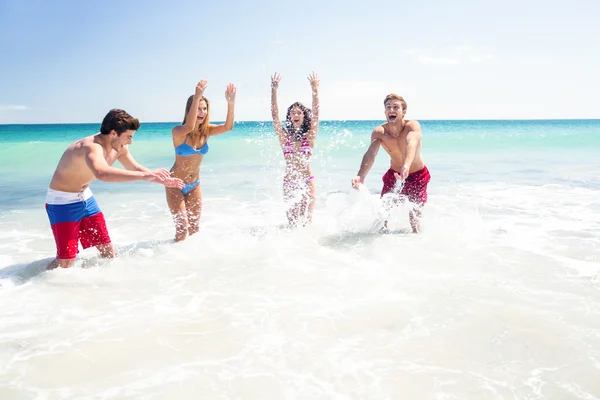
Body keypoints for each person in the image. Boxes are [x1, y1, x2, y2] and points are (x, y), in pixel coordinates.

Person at [45, 109, 185, 269]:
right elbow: (102, 173)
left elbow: (135, 167)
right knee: (65, 262)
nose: (130, 142)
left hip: (85, 198)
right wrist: (146, 177)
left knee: (108, 251)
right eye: (129, 137)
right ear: (113, 133)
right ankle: (36, 283)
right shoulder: (91, 147)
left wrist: (160, 179)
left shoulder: (119, 148)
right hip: (62, 201)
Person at [166, 80, 236, 242]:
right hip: (175, 184)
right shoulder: (178, 132)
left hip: (194, 184)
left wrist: (230, 104)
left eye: (204, 109)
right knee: (182, 229)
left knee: (195, 229)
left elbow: (228, 127)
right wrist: (197, 95)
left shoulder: (207, 131)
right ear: (190, 109)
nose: (202, 112)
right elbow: (189, 127)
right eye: (198, 107)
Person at [351, 94, 431, 233]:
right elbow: (371, 154)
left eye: (396, 107)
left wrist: (406, 165)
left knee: (415, 218)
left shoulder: (411, 126)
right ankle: (381, 244)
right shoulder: (380, 132)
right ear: (385, 112)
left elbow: (411, 143)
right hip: (394, 175)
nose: (391, 110)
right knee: (384, 212)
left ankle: (417, 243)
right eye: (388, 107)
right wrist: (361, 176)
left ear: (403, 111)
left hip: (417, 175)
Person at [270, 71, 320, 226]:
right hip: (290, 182)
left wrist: (315, 89)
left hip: (307, 181)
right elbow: (274, 115)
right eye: (292, 112)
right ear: (290, 117)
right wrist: (274, 90)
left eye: (299, 112)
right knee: (292, 223)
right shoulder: (284, 138)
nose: (296, 114)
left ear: (304, 116)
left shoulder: (310, 137)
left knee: (306, 222)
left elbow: (317, 113)